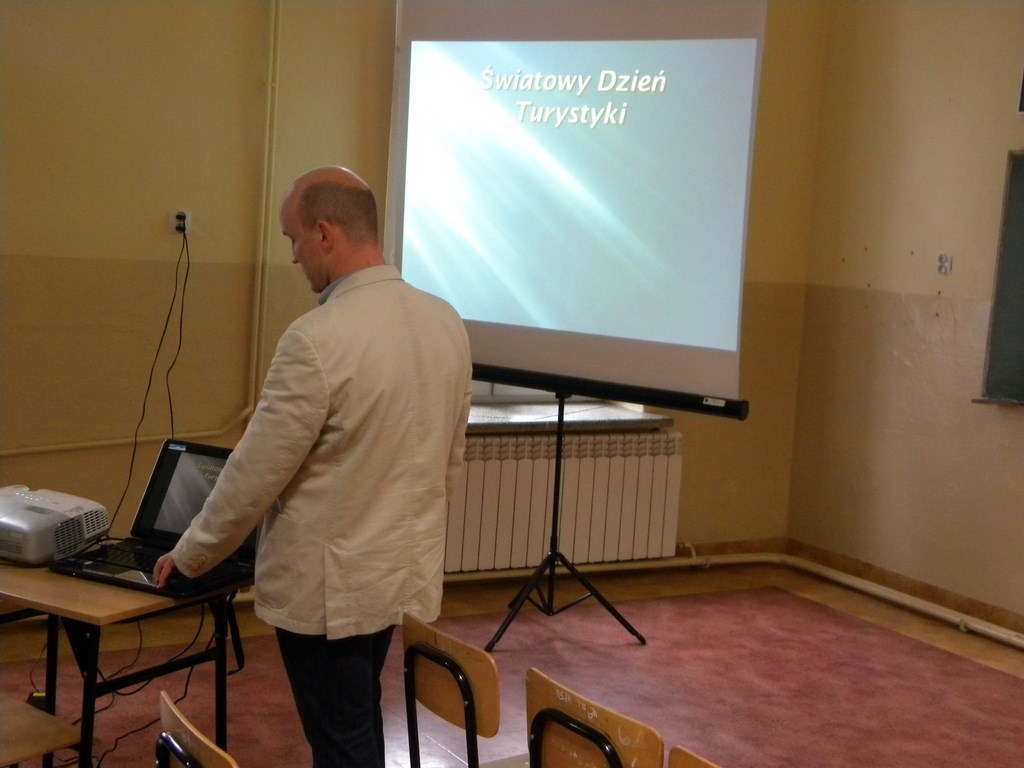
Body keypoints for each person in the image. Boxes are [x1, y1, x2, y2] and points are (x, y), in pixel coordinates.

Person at [153, 166, 473, 768]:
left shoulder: (316, 338)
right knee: (357, 719)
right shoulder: (445, 322)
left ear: (325, 233)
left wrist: (192, 555)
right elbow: (448, 462)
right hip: (398, 576)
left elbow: (254, 476)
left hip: (330, 592)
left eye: (293, 238)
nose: (294, 256)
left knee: (342, 741)